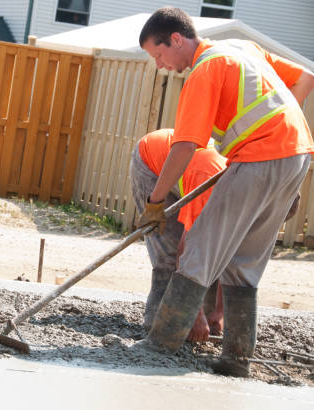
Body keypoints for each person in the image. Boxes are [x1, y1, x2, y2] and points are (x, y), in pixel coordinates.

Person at [136, 7, 314, 377]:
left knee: (200, 248)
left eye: (159, 54)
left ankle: (159, 344)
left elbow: (185, 146)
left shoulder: (205, 70)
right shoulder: (242, 48)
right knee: (244, 261)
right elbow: (306, 78)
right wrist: (275, 132)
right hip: (297, 155)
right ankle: (235, 359)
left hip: (261, 156)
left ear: (176, 39)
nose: (161, 65)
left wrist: (155, 203)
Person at [131, 128, 225, 342]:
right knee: (168, 252)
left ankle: (201, 323)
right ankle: (159, 324)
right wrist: (195, 312)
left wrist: (220, 311)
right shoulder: (212, 189)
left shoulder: (253, 201)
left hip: (193, 167)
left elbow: (233, 256)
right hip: (155, 164)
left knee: (214, 255)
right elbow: (185, 250)